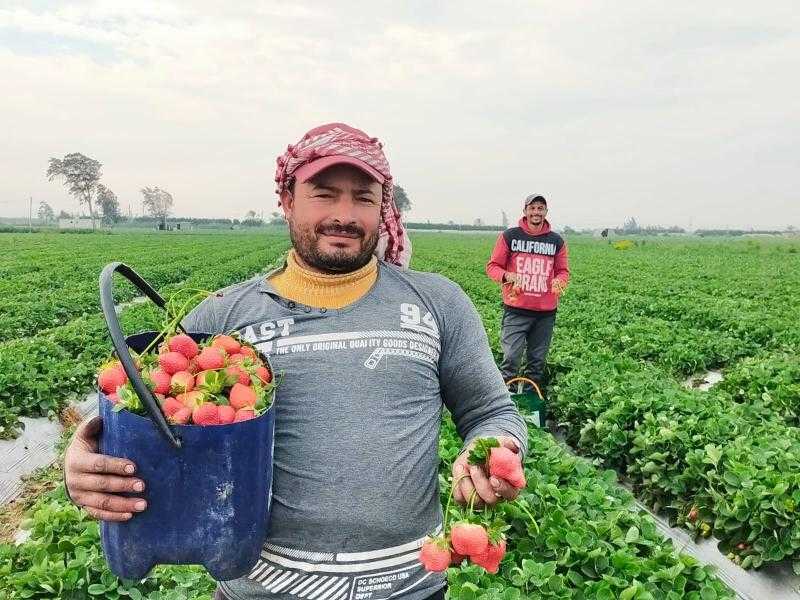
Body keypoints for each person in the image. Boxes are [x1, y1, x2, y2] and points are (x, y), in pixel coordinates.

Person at [64, 123, 528, 600]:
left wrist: (496, 451)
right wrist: (86, 449)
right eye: (324, 195)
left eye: (363, 198)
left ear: (384, 208)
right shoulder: (225, 314)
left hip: (409, 589)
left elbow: (492, 411)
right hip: (258, 590)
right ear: (287, 199)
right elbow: (137, 403)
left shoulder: (437, 303)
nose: (344, 215)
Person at [485, 194, 570, 391]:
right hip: (516, 310)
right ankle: (506, 404)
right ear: (525, 211)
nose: (536, 212)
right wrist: (508, 276)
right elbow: (493, 267)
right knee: (511, 360)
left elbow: (563, 270)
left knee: (537, 363)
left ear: (546, 212)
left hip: (545, 314)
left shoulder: (556, 241)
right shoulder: (510, 236)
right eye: (532, 208)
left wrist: (559, 280)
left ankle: (532, 404)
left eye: (540, 208)